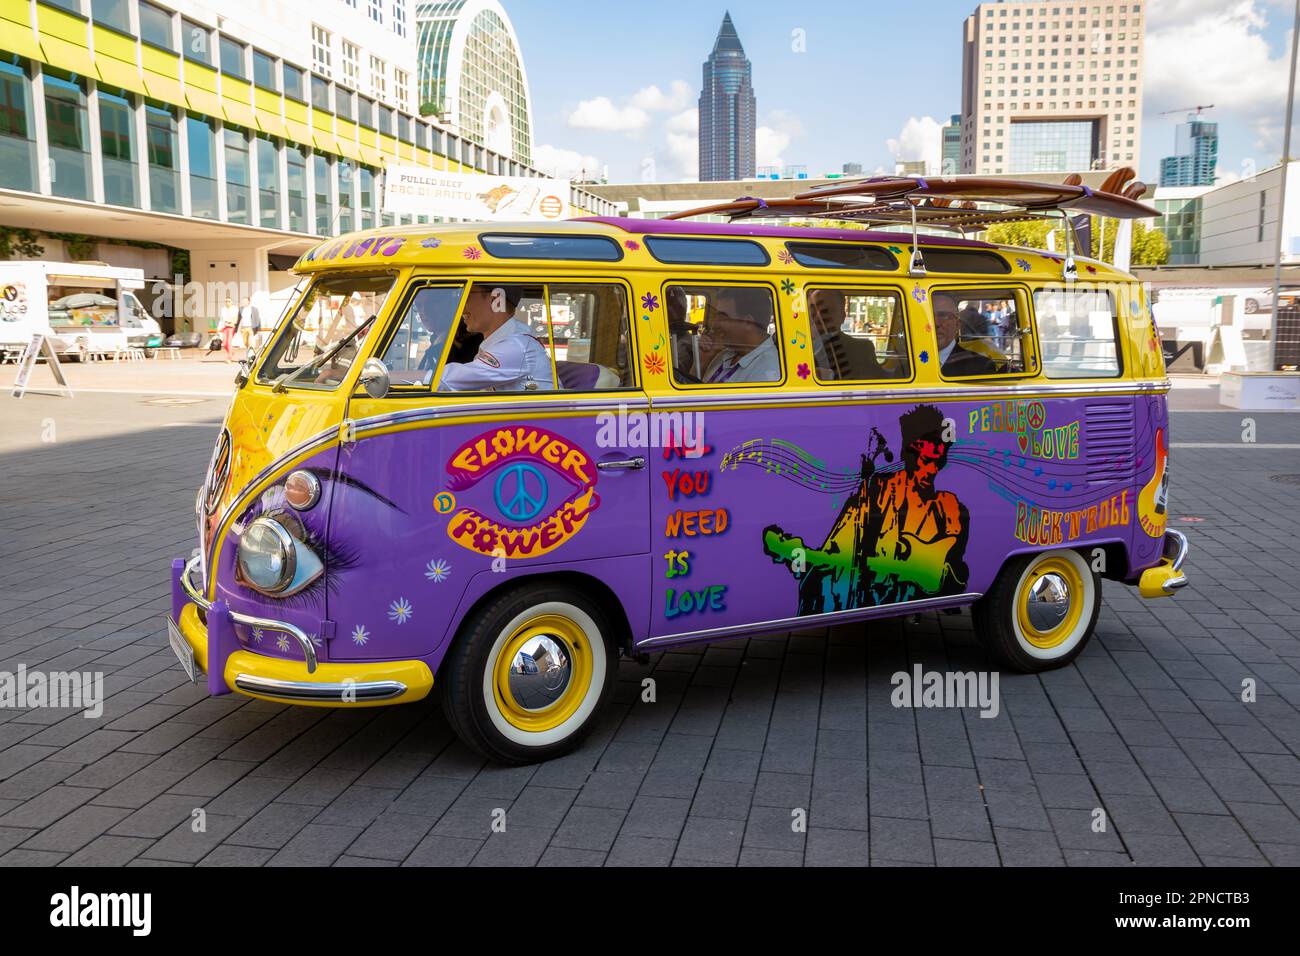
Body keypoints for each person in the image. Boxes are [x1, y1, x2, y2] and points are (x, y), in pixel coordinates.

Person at [438, 285, 554, 392]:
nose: (460, 306)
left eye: (467, 296)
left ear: (496, 300)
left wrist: (422, 377)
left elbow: (445, 380)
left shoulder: (516, 346)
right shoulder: (502, 341)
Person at [700, 287, 780, 384]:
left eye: (723, 317)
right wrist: (703, 361)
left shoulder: (768, 372)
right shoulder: (726, 354)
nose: (714, 324)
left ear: (747, 322)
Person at [809, 289, 886, 380]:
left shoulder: (862, 349)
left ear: (842, 316)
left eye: (826, 311)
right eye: (813, 310)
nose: (818, 317)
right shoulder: (795, 346)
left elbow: (873, 387)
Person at [933, 292, 996, 376]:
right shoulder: (910, 361)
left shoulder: (981, 367)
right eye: (928, 316)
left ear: (957, 325)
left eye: (944, 316)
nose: (935, 323)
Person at [218, 296, 238, 363]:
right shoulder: (223, 309)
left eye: (229, 301)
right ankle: (231, 352)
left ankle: (229, 358)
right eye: (226, 301)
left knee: (229, 343)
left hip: (231, 327)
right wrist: (218, 328)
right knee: (224, 343)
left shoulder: (235, 309)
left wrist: (231, 322)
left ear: (231, 302)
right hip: (225, 327)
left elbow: (235, 318)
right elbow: (221, 319)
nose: (227, 302)